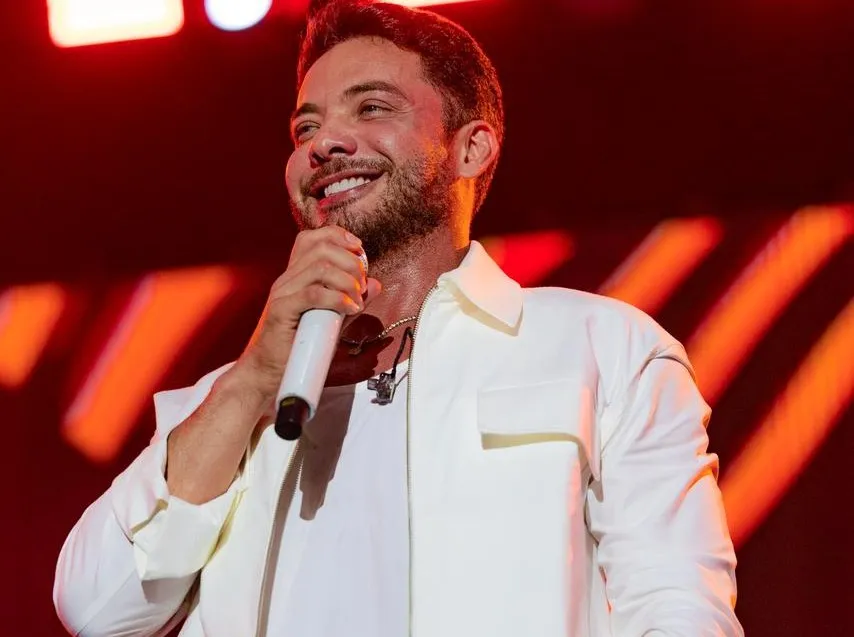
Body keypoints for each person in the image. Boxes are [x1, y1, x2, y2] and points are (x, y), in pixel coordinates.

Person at [53, 1, 742, 636]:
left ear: (471, 149)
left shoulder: (600, 349)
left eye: (372, 107)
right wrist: (254, 377)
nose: (324, 143)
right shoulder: (234, 400)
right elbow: (97, 610)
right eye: (306, 127)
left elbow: (679, 612)